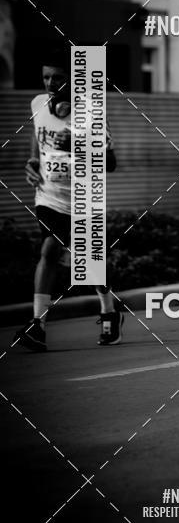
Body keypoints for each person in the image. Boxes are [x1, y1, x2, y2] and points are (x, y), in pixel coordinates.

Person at [13, 47, 123, 352]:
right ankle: (38, 325)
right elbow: (38, 139)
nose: (50, 83)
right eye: (46, 77)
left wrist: (77, 143)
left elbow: (110, 162)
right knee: (50, 250)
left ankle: (109, 312)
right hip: (48, 197)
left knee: (85, 259)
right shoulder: (38, 104)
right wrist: (32, 163)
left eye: (58, 77)